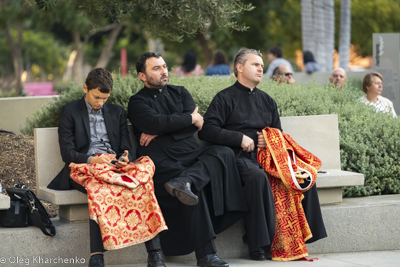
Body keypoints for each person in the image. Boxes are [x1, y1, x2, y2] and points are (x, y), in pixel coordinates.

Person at [198, 48, 327, 261]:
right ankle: (258, 244)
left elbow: (280, 134)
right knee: (257, 177)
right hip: (238, 158)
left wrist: (268, 141)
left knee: (303, 175)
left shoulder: (267, 100)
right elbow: (208, 130)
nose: (261, 68)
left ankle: (300, 238)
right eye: (255, 64)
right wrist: (239, 138)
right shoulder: (224, 98)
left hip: (270, 157)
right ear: (239, 68)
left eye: (261, 65)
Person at [128, 52, 248, 267]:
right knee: (193, 189)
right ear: (142, 76)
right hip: (162, 160)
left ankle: (186, 180)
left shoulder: (181, 92)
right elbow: (160, 123)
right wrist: (187, 119)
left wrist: (164, 127)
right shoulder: (137, 102)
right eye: (156, 68)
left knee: (223, 152)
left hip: (191, 153)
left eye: (164, 66)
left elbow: (196, 125)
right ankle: (206, 256)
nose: (164, 71)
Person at [47, 68, 166, 267]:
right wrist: (94, 161)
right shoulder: (70, 111)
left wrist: (125, 157)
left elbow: (125, 146)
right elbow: (68, 154)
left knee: (142, 185)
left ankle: (154, 253)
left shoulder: (117, 112)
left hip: (114, 167)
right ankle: (96, 256)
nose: (100, 102)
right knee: (99, 189)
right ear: (85, 88)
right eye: (96, 97)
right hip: (85, 167)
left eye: (105, 98)